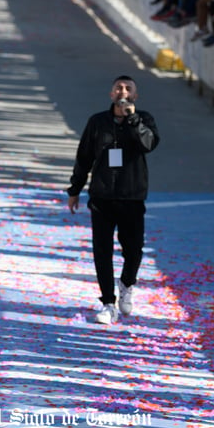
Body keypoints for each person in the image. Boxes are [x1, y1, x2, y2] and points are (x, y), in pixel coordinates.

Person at [67, 76, 160, 325]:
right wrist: (74, 189)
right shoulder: (98, 122)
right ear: (111, 94)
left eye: (128, 88)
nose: (123, 91)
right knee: (102, 251)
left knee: (133, 249)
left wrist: (132, 119)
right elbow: (84, 156)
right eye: (119, 87)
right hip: (102, 196)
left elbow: (148, 144)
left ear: (135, 97)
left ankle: (127, 284)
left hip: (132, 196)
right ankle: (108, 302)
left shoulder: (144, 119)